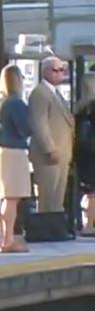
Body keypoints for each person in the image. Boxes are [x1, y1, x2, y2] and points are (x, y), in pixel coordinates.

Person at [0, 65, 32, 253]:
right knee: (12, 197)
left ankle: (1, 238)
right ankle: (8, 239)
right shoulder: (15, 102)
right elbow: (26, 128)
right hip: (13, 151)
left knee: (0, 197)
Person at [29, 56, 75, 213]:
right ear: (45, 71)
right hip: (48, 155)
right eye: (55, 70)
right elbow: (39, 123)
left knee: (57, 197)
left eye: (62, 70)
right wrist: (49, 149)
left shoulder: (56, 93)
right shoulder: (40, 93)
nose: (59, 73)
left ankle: (55, 228)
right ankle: (46, 229)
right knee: (47, 196)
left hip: (62, 154)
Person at [75, 72, 95, 236]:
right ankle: (89, 225)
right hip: (92, 152)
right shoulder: (92, 106)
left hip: (83, 153)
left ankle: (87, 223)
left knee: (89, 191)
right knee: (92, 192)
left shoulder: (79, 106)